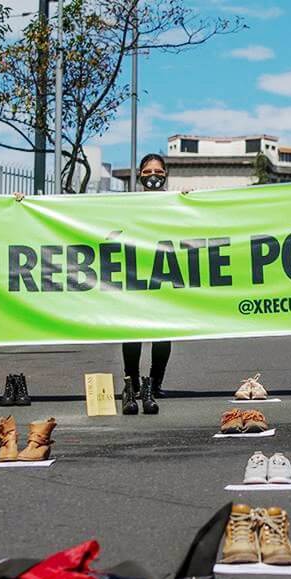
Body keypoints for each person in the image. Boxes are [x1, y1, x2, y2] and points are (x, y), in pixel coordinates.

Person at [121, 153, 173, 414]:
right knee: (133, 329)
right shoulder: (127, 204)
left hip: (164, 272)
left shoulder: (175, 203)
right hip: (135, 272)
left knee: (163, 329)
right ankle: (131, 384)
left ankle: (154, 383)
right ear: (140, 175)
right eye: (148, 171)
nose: (153, 176)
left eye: (158, 172)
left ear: (166, 175)